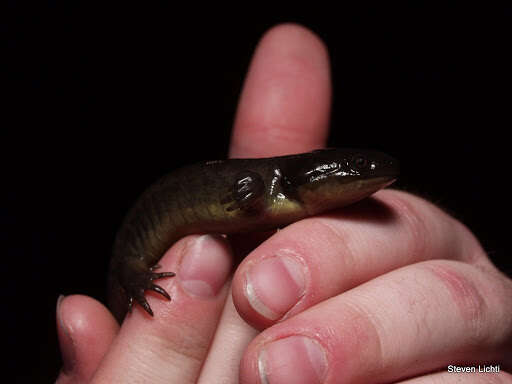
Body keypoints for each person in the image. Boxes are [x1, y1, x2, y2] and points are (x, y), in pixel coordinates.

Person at [55, 24, 512, 383]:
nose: (361, 178)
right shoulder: (269, 187)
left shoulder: (296, 202)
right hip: (130, 267)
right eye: (350, 169)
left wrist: (486, 364)